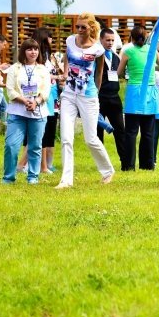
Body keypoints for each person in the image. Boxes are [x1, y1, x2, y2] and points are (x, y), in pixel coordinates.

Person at [56, 13, 115, 189]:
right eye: (78, 26)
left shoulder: (98, 49)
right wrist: (66, 73)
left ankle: (107, 170)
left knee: (90, 139)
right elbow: (67, 58)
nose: (80, 30)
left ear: (91, 28)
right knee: (66, 137)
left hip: (88, 95)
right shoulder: (69, 41)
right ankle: (66, 180)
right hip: (68, 94)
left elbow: (99, 72)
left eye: (84, 27)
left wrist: (95, 92)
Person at [1, 38, 51, 185]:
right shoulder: (15, 68)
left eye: (35, 49)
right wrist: (24, 100)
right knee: (11, 145)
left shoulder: (43, 69)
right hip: (17, 112)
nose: (33, 52)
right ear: (24, 51)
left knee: (35, 146)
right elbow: (10, 90)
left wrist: (36, 102)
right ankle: (8, 177)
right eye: (29, 49)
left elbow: (46, 91)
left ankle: (33, 177)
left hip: (38, 112)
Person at [119, 25, 159, 171]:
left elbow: (119, 72)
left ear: (132, 37)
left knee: (131, 132)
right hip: (150, 92)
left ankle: (128, 166)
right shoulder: (152, 50)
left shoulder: (128, 51)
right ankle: (147, 165)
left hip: (134, 92)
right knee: (148, 132)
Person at [97, 28, 129, 169]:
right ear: (101, 40)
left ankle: (125, 162)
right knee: (98, 131)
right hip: (99, 97)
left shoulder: (116, 57)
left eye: (112, 40)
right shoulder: (96, 56)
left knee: (120, 130)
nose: (110, 43)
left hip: (114, 98)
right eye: (107, 40)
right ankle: (102, 164)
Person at [32, 27, 61, 175]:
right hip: (44, 97)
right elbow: (42, 76)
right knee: (42, 132)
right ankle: (39, 165)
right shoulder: (37, 57)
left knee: (50, 131)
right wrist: (57, 77)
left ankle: (47, 164)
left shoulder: (49, 56)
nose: (51, 40)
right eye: (49, 37)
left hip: (53, 96)